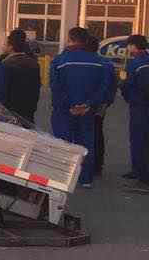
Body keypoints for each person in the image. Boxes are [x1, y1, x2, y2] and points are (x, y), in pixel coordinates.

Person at [50, 27, 117, 188]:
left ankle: (63, 177)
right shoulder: (101, 63)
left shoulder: (59, 61)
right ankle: (85, 178)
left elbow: (56, 87)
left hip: (64, 110)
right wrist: (89, 104)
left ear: (69, 39)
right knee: (86, 143)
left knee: (64, 143)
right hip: (87, 111)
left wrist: (70, 105)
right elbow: (104, 87)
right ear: (86, 41)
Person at [121, 34, 149, 187]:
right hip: (141, 104)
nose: (127, 48)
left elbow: (128, 85)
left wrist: (126, 91)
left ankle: (142, 176)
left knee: (139, 140)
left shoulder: (136, 64)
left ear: (133, 46)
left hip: (140, 106)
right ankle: (137, 170)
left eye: (129, 45)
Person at [83, 32, 112, 176]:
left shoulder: (87, 63)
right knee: (97, 132)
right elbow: (111, 86)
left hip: (86, 104)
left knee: (85, 133)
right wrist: (106, 103)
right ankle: (97, 165)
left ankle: (87, 164)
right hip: (100, 104)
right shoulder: (107, 63)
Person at [0, 28, 41, 126]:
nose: (2, 46)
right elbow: (37, 86)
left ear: (11, 47)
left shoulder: (6, 64)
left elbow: (3, 88)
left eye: (4, 44)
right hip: (28, 108)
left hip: (10, 109)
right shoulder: (33, 63)